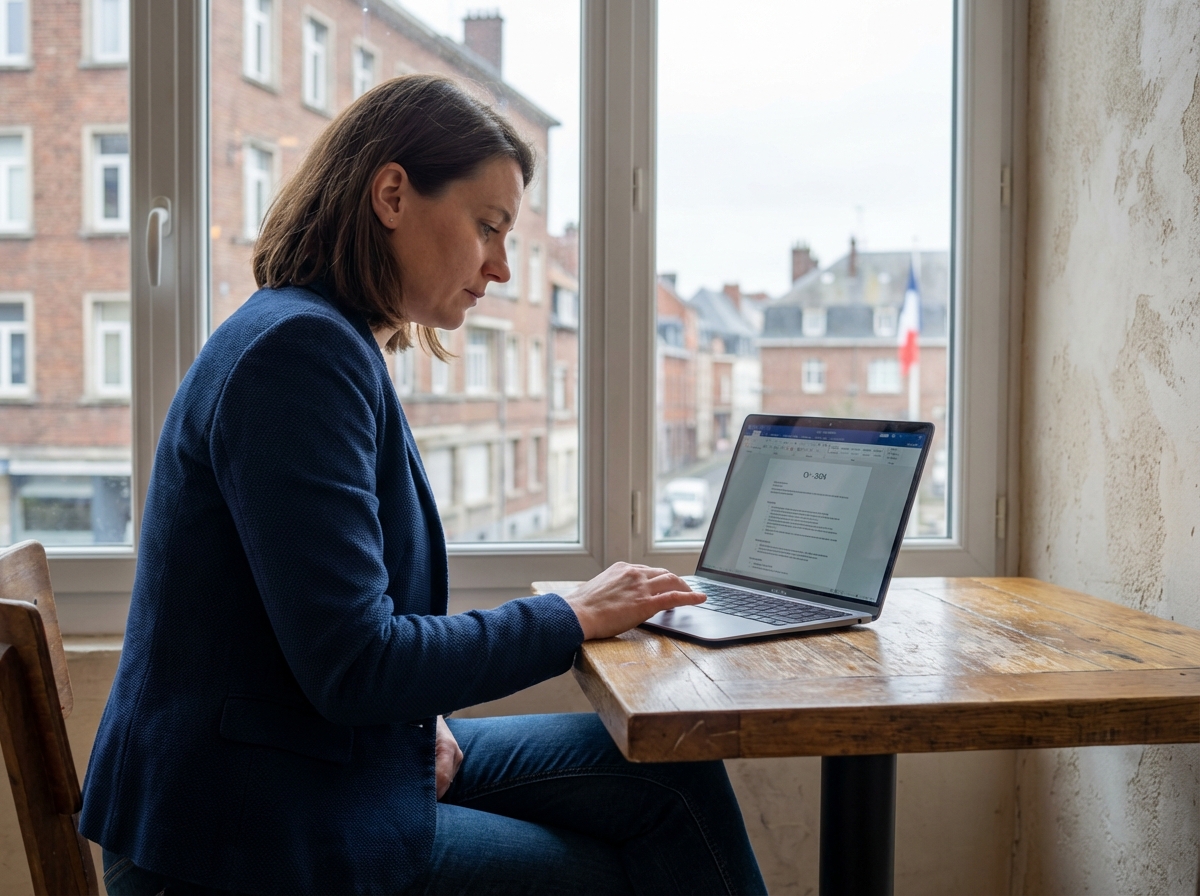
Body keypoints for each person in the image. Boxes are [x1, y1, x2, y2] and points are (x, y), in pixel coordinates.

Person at [80, 74, 767, 896]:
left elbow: (327, 633)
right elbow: (357, 663)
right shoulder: (296, 356)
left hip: (302, 758)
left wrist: (421, 713)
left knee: (672, 772)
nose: (504, 268)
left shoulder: (318, 335)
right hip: (236, 830)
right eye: (488, 227)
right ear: (393, 194)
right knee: (615, 875)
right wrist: (571, 615)